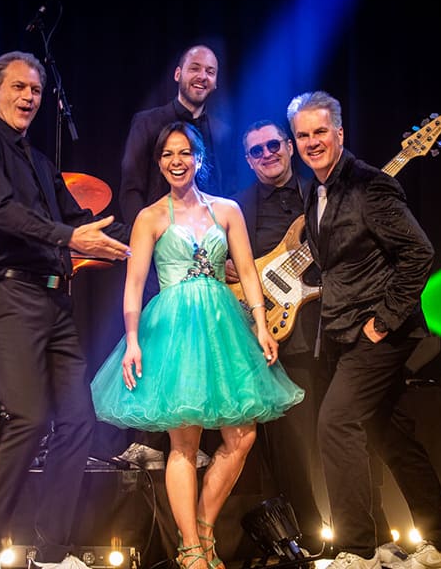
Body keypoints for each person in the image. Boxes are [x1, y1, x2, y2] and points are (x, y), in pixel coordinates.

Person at [91, 121, 304, 569]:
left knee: (242, 436)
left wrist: (261, 325)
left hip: (223, 327)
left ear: (199, 158)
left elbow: (248, 273)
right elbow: (133, 286)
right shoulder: (150, 217)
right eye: (168, 154)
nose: (176, 161)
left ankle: (202, 528)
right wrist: (132, 341)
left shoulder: (227, 210)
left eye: (184, 152)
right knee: (183, 444)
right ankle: (191, 550)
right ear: (159, 163)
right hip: (174, 331)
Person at [0, 50, 132, 569]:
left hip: (55, 300)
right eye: (19, 87)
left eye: (35, 90)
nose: (29, 97)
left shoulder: (40, 162)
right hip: (6, 295)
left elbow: (81, 222)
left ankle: (52, 553)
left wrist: (157, 227)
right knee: (30, 416)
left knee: (78, 421)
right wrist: (69, 237)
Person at [286, 91, 441, 569]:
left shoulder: (371, 186)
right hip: (342, 333)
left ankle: (358, 549)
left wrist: (383, 321)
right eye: (302, 135)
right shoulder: (315, 191)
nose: (311, 142)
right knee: (390, 436)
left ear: (339, 133)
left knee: (335, 424)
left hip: (381, 334)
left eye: (320, 132)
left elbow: (419, 254)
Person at [115, 44, 235, 468]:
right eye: (195, 68)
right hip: (160, 252)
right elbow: (130, 187)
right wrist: (146, 245)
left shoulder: (220, 130)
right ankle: (151, 440)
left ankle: (192, 435)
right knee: (160, 344)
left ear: (216, 81)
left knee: (204, 348)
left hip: (207, 258)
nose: (202, 76)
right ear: (178, 74)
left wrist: (222, 249)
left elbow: (223, 194)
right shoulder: (148, 122)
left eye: (210, 71)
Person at [225, 120, 329, 552]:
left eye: (273, 145)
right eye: (257, 150)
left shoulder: (320, 193)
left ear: (289, 146)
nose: (267, 154)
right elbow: (213, 260)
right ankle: (303, 536)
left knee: (328, 433)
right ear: (248, 160)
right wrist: (229, 267)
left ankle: (355, 532)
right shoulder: (237, 205)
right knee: (284, 443)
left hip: (317, 326)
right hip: (259, 330)